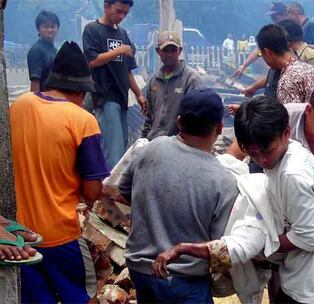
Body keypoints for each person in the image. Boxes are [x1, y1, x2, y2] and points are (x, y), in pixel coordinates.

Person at [154, 96, 314, 304]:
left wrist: (261, 249)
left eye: (267, 151)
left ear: (286, 133)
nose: (262, 160)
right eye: (253, 153)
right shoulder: (292, 153)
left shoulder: (292, 176)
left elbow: (305, 239)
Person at [10, 41, 110, 303]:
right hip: (61, 236)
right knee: (82, 296)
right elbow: (91, 192)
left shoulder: (19, 106)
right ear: (83, 90)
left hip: (20, 238)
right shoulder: (82, 120)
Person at [119, 88, 238, 303]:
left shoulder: (152, 148)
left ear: (179, 122)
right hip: (184, 279)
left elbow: (125, 190)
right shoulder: (224, 180)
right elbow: (217, 243)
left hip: (140, 270)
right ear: (220, 128)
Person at [83, 0, 146, 170]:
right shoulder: (92, 30)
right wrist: (118, 51)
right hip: (104, 96)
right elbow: (92, 61)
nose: (121, 16)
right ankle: (108, 189)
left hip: (121, 96)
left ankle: (113, 186)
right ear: (106, 6)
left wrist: (139, 94)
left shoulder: (123, 34)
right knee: (113, 147)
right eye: (118, 11)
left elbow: (128, 71)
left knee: (122, 143)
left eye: (125, 13)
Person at [240, 21, 314, 99]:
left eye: (261, 54)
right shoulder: (294, 67)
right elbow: (269, 79)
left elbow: (288, 116)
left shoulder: (287, 79)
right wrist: (253, 87)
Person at [141, 31, 203, 141]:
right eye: (165, 50)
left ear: (180, 51)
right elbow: (149, 117)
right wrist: (144, 140)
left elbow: (195, 117)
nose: (169, 54)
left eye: (173, 50)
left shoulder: (191, 79)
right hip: (154, 142)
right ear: (158, 51)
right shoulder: (153, 80)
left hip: (178, 143)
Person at [233, 1, 287, 78]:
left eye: (275, 16)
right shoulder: (275, 31)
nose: (273, 19)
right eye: (271, 16)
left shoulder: (293, 29)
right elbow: (259, 51)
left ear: (284, 14)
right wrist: (244, 65)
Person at [27, 10, 59, 92]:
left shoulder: (54, 49)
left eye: (52, 27)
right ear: (38, 29)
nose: (50, 30)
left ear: (57, 28)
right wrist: (37, 103)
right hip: (44, 99)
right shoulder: (36, 50)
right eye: (45, 27)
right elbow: (35, 82)